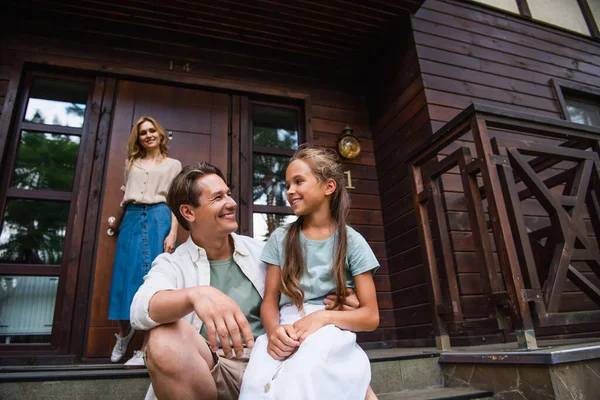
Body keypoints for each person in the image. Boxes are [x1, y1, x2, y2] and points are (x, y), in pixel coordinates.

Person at [130, 161, 377, 400]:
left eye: (229, 194)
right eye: (218, 198)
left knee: (341, 365)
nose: (231, 203)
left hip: (276, 359)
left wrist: (342, 300)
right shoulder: (172, 264)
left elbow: (311, 292)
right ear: (188, 212)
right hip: (214, 370)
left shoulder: (262, 251)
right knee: (161, 340)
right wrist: (195, 295)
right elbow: (140, 308)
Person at [239, 145, 379, 399]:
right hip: (286, 326)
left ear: (328, 187)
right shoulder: (281, 238)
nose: (289, 190)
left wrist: (323, 318)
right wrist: (272, 332)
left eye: (299, 181)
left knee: (303, 375)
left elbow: (370, 316)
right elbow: (270, 301)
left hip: (331, 327)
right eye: (288, 183)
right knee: (256, 382)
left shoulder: (352, 242)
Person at [107, 116, 182, 368]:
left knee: (153, 280)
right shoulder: (132, 163)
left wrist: (173, 233)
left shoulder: (173, 165)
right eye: (143, 133)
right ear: (138, 138)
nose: (148, 135)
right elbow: (125, 196)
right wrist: (116, 224)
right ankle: (123, 334)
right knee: (123, 278)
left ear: (160, 135)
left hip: (159, 218)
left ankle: (145, 349)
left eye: (152, 131)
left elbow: (174, 200)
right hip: (131, 220)